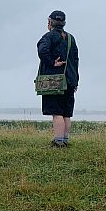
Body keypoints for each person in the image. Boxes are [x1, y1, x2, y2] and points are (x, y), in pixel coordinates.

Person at [37, 10, 79, 147]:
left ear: (50, 22)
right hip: (70, 80)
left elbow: (42, 50)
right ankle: (65, 141)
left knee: (57, 112)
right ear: (63, 23)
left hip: (56, 81)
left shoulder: (49, 37)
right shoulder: (71, 38)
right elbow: (75, 60)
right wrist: (75, 79)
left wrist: (52, 62)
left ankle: (58, 142)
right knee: (66, 113)